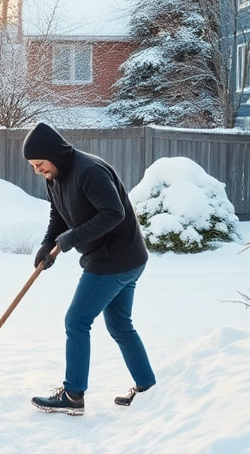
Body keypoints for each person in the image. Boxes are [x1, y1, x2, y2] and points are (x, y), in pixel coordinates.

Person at [22, 122, 157, 416]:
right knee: (120, 326)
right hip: (126, 258)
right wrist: (48, 243)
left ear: (51, 154)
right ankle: (148, 388)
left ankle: (73, 395)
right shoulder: (55, 176)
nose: (37, 170)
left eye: (39, 164)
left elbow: (114, 213)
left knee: (77, 321)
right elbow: (58, 212)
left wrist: (71, 238)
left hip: (115, 259)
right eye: (34, 166)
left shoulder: (89, 171)